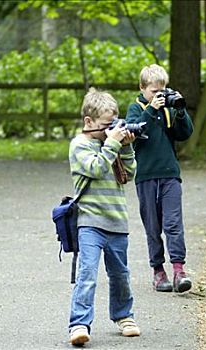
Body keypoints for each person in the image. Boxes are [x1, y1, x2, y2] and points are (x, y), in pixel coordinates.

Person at [67, 88, 140, 346]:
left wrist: (127, 148)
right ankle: (79, 324)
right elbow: (97, 168)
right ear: (89, 122)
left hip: (117, 221)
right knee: (87, 274)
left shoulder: (113, 146)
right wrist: (112, 142)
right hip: (90, 222)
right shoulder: (80, 145)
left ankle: (124, 316)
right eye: (106, 126)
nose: (113, 130)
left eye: (115, 124)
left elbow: (128, 175)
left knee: (120, 274)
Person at [125, 64, 194, 293]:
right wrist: (151, 110)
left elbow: (184, 134)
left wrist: (181, 111)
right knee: (153, 227)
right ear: (142, 88)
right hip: (146, 176)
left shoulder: (168, 109)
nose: (159, 96)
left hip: (170, 174)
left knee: (173, 223)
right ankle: (158, 271)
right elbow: (136, 136)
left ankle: (178, 270)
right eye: (154, 92)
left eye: (162, 91)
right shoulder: (135, 109)